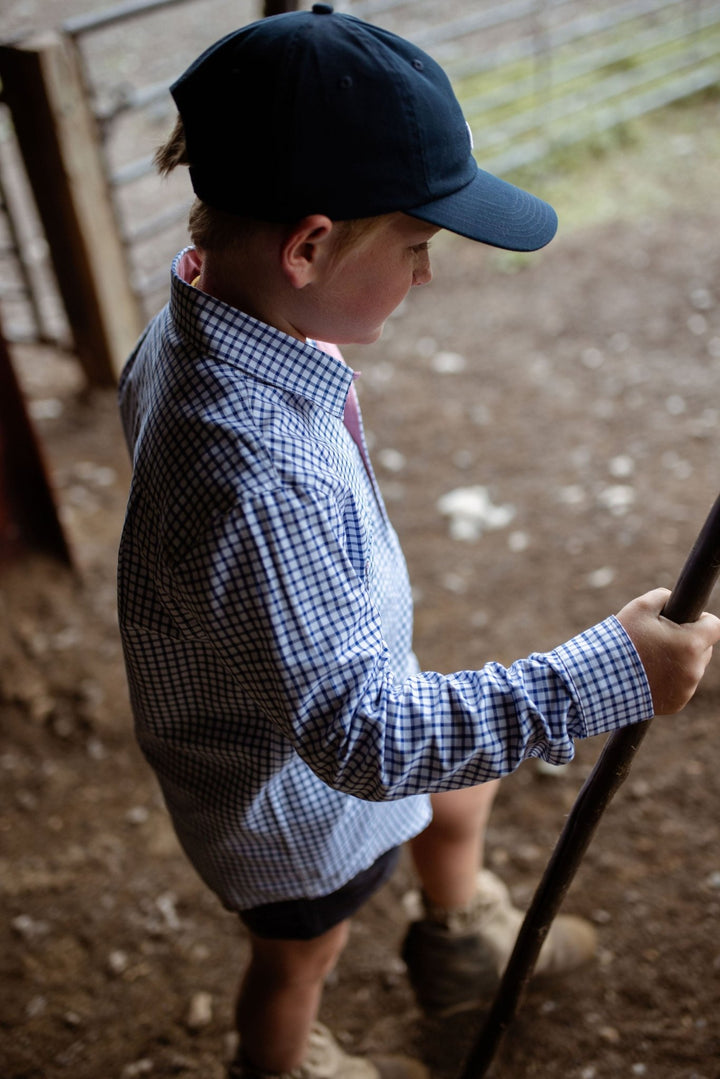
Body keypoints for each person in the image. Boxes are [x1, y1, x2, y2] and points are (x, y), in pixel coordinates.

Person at [116, 6, 720, 1078]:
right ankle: (283, 1064)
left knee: (464, 783)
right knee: (303, 953)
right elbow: (366, 743)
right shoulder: (252, 467)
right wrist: (610, 673)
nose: (428, 273)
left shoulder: (201, 311)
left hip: (315, 695)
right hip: (288, 799)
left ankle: (459, 941)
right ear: (307, 246)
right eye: (417, 246)